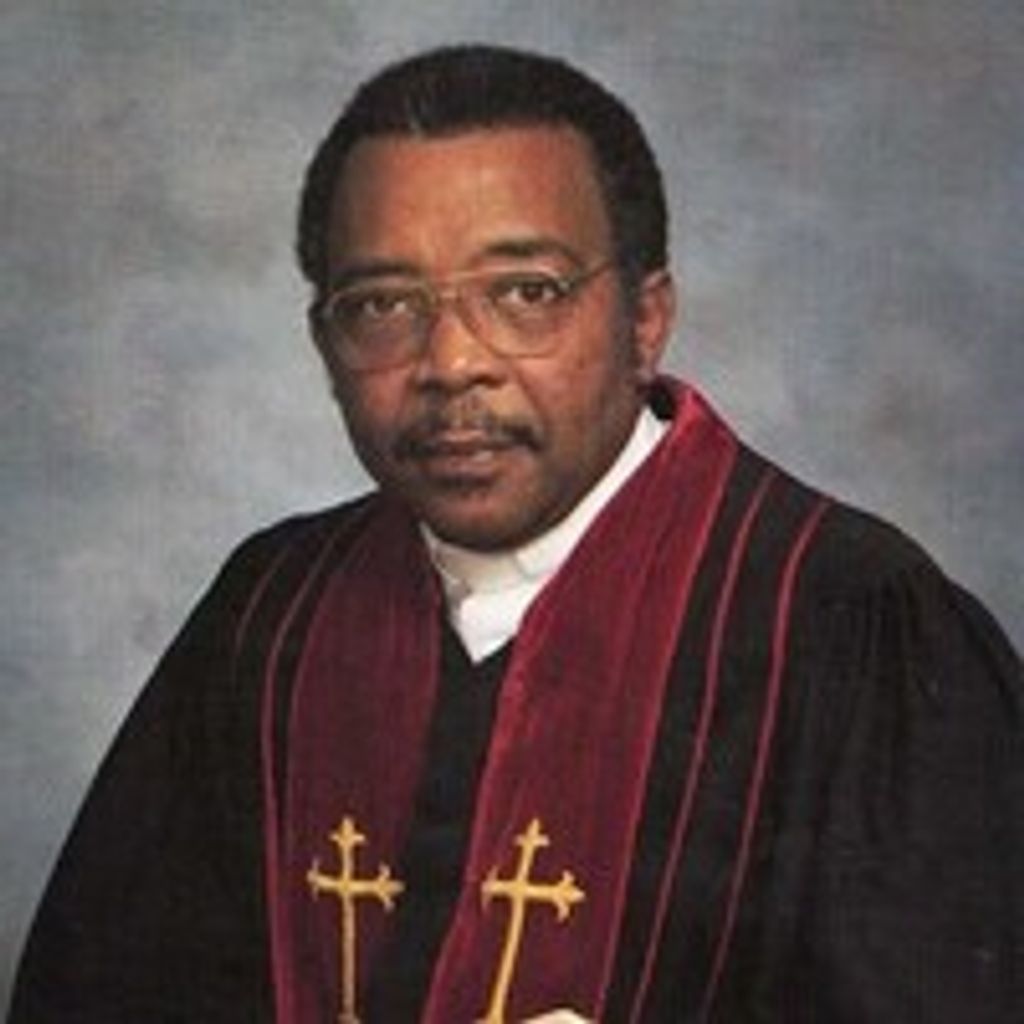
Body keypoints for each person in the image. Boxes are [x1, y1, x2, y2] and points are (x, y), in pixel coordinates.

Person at [9, 45, 1022, 1024]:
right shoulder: (273, 614)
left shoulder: (847, 626)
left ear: (645, 320)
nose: (452, 362)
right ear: (326, 344)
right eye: (382, 304)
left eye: (527, 293)